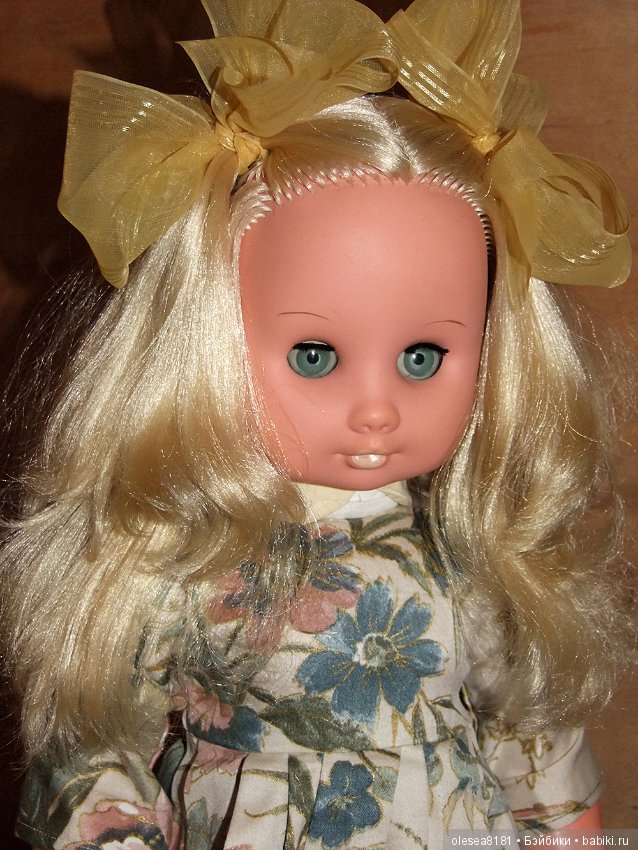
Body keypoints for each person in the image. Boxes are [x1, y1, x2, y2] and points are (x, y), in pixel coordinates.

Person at [2, 0, 632, 847]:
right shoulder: (188, 561)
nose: (376, 409)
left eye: (422, 357)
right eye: (313, 355)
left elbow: (536, 740)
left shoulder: (468, 557)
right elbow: (96, 739)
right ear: (203, 340)